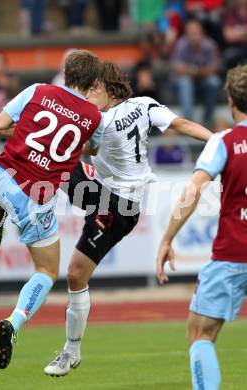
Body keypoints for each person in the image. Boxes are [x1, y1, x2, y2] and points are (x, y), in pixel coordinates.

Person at [40, 61, 212, 376]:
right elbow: (181, 124)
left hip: (117, 207)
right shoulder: (144, 105)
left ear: (108, 87)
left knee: (76, 270)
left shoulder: (99, 121)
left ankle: (70, 351)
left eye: (93, 88)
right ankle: (71, 351)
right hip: (115, 200)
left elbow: (78, 146)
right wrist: (216, 142)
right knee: (76, 275)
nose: (88, 94)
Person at [0, 49, 104, 369]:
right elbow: (92, 148)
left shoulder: (37, 90)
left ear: (64, 72)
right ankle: (13, 322)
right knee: (47, 272)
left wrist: (28, 132)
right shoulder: (94, 117)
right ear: (93, 82)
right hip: (37, 199)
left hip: (3, 174)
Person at [156, 64, 247, 390]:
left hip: (233, 254)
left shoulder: (224, 141)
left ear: (231, 102)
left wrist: (167, 238)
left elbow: (193, 190)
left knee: (200, 334)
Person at [172, 18, 221, 126]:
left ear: (202, 33)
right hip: (184, 80)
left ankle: (208, 118)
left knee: (214, 81)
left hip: (203, 80)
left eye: (196, 34)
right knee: (185, 82)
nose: (193, 37)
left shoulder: (210, 45)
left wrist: (192, 70)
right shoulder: (181, 44)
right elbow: (177, 68)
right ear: (186, 35)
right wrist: (199, 71)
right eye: (190, 34)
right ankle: (188, 121)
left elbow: (214, 68)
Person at [223, 0, 247, 69]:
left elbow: (233, 35)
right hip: (236, 48)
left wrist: (237, 31)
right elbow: (229, 37)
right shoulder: (231, 14)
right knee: (228, 56)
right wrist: (244, 32)